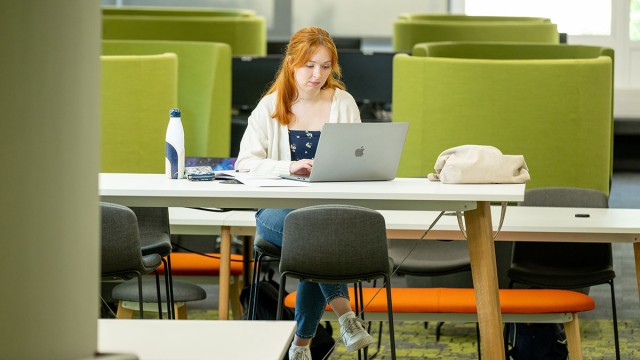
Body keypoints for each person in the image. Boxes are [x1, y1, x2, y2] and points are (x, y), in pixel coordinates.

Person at [235, 27, 373, 360]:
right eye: (310, 65)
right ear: (292, 63)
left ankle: (301, 347)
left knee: (315, 235)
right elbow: (244, 164)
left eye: (326, 66)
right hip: (276, 215)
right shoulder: (270, 106)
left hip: (326, 214)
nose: (318, 74)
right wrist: (288, 167)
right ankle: (345, 316)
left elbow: (358, 159)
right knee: (312, 233)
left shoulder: (343, 103)